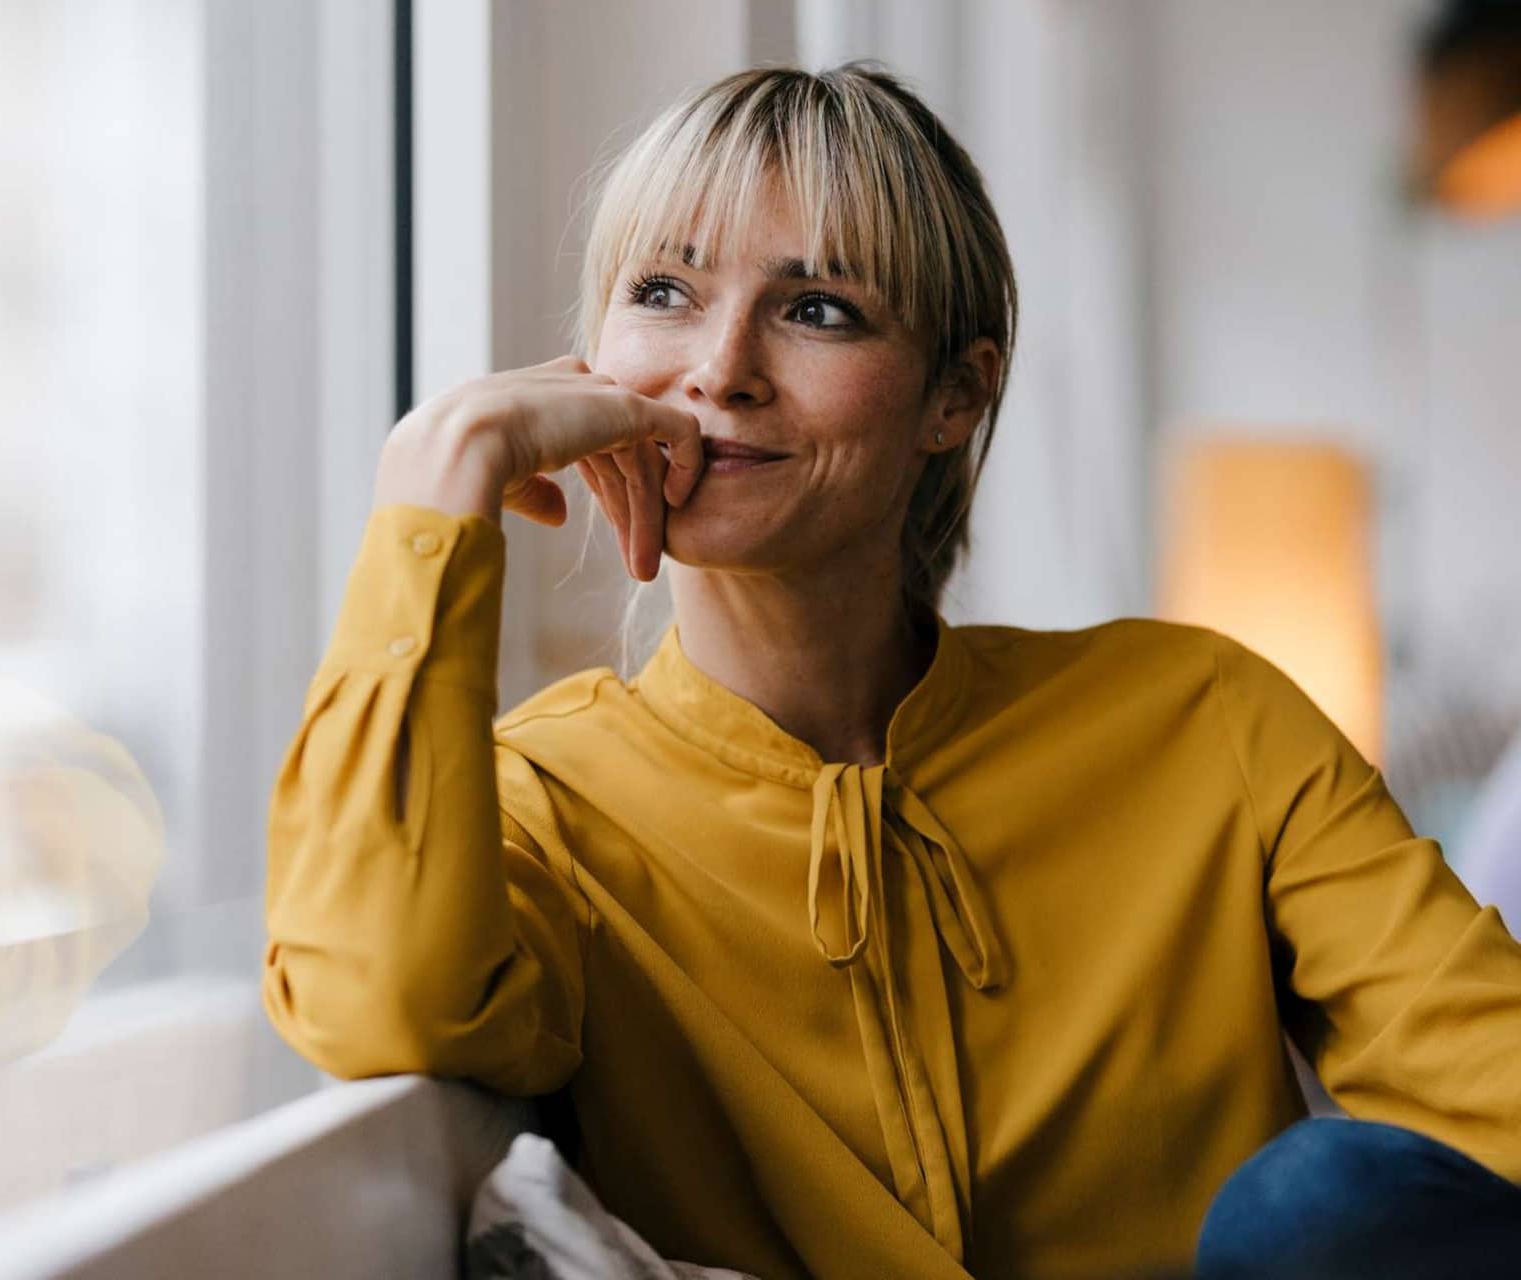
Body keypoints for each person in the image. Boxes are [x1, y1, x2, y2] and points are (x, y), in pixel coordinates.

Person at [260, 64, 1521, 1279]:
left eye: (816, 309)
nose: (719, 368)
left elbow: (1491, 1086)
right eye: (662, 289)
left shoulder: (1204, 719)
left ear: (953, 398)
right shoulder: (543, 802)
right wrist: (436, 491)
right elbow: (377, 1004)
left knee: (1315, 1203)